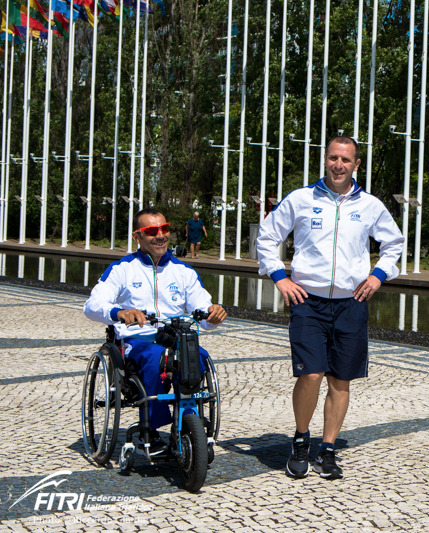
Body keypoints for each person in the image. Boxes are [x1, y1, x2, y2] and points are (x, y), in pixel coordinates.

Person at [256, 136, 403, 480]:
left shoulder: (369, 205)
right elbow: (266, 237)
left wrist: (378, 275)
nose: (339, 165)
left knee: (341, 379)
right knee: (310, 373)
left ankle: (328, 448)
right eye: (333, 158)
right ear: (325, 160)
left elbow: (394, 243)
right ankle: (301, 439)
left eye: (346, 160)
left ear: (356, 165)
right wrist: (280, 278)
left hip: (352, 303)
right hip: (308, 301)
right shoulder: (301, 199)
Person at [84, 208, 227, 453]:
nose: (160, 235)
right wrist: (119, 313)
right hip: (138, 340)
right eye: (151, 231)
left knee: (198, 355)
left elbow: (202, 312)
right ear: (137, 236)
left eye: (165, 229)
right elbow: (92, 305)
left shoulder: (184, 272)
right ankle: (153, 426)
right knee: (156, 358)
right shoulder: (122, 269)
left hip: (175, 336)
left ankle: (187, 421)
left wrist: (214, 314)